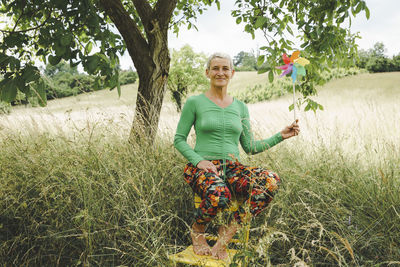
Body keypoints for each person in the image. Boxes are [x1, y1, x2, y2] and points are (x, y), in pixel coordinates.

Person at [173, 52, 300, 260]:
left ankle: (226, 235)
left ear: (232, 73)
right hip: (202, 168)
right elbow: (178, 139)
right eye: (215, 68)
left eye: (225, 69)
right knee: (219, 193)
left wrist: (281, 136)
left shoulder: (240, 107)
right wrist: (199, 161)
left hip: (232, 168)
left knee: (270, 181)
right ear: (207, 72)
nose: (220, 72)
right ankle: (197, 230)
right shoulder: (194, 102)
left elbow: (249, 147)